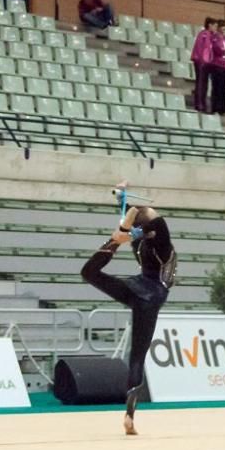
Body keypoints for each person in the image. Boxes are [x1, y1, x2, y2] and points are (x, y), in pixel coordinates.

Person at [80, 184, 176, 435]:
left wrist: (126, 231)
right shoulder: (155, 241)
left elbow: (153, 224)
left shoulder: (151, 238)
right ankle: (129, 417)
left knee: (89, 272)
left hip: (138, 289)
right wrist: (125, 219)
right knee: (138, 355)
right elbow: (147, 222)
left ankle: (111, 241)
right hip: (150, 295)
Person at [191, 17, 217, 112]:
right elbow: (205, 50)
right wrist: (205, 62)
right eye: (215, 26)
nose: (215, 28)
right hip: (201, 62)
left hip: (203, 62)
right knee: (201, 83)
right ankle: (200, 104)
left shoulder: (208, 35)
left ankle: (202, 103)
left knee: (203, 83)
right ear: (209, 25)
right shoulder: (205, 34)